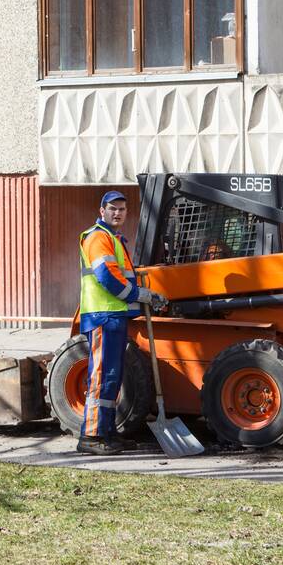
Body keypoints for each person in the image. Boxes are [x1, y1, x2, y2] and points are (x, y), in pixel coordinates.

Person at [77, 190, 167, 456]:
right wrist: (140, 295)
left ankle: (107, 432)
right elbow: (107, 277)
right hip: (103, 316)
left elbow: (122, 276)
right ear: (102, 210)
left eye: (122, 209)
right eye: (112, 208)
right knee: (101, 378)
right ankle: (91, 436)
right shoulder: (97, 237)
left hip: (114, 316)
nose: (118, 213)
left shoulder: (114, 239)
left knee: (112, 379)